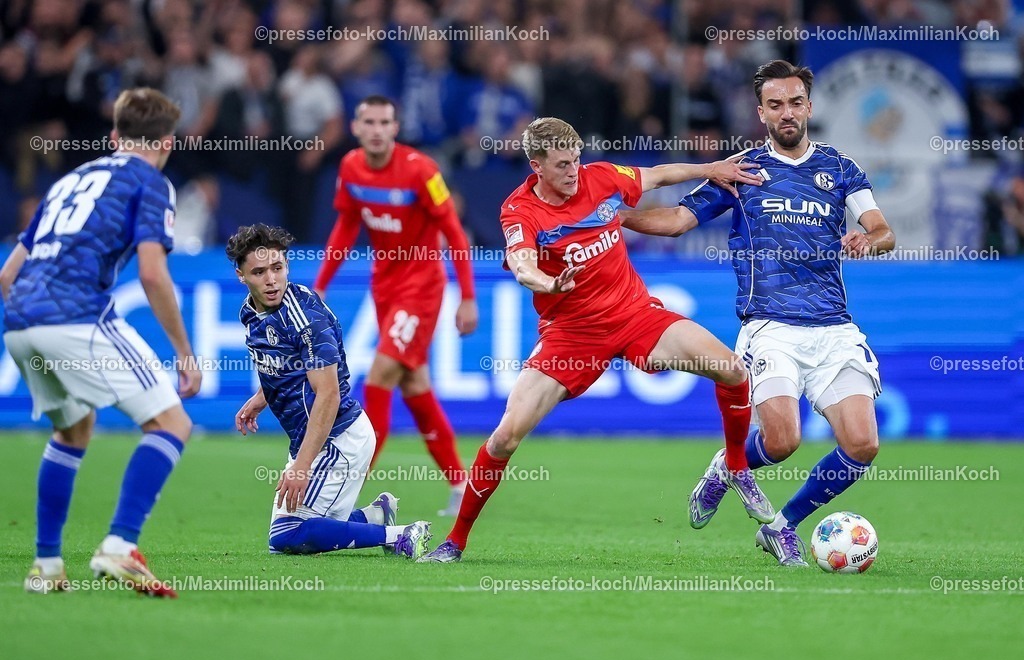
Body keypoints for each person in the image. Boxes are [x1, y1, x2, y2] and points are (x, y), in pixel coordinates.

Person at [419, 116, 768, 563]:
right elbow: (523, 264)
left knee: (732, 369)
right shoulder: (520, 209)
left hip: (634, 314)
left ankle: (735, 467)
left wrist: (711, 168)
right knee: (505, 437)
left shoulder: (599, 178)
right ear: (536, 166)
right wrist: (548, 285)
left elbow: (657, 175)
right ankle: (455, 541)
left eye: (577, 159)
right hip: (572, 334)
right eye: (563, 164)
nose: (573, 171)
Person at [621, 60, 896, 566]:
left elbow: (884, 231)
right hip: (769, 324)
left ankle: (782, 525)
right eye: (775, 105)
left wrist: (868, 240)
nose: (786, 113)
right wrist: (617, 218)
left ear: (809, 107)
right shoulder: (741, 171)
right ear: (761, 112)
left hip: (833, 325)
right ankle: (727, 466)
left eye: (795, 103)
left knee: (862, 445)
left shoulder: (839, 168)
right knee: (783, 440)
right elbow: (679, 220)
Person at [0, 88, 201, 597]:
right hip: (76, 315)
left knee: (73, 431)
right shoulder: (151, 182)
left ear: (114, 137)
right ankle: (119, 545)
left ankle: (46, 567)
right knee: (171, 422)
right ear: (168, 143)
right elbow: (153, 275)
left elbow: (8, 274)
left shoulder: (71, 178)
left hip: (20, 320)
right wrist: (184, 351)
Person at [313, 95, 477, 517]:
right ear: (356, 126)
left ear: (395, 126)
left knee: (380, 375)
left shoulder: (421, 169)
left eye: (385, 121)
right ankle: (462, 486)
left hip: (421, 286)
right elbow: (347, 226)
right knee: (415, 386)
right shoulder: (350, 167)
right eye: (368, 121)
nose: (376, 129)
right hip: (384, 286)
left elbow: (454, 233)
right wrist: (321, 286)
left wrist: (468, 297)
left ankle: (347, 486)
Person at [229, 223, 432, 559]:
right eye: (259, 272)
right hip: (312, 438)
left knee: (288, 535)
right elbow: (285, 364)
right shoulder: (251, 312)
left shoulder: (304, 318)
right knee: (302, 533)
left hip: (339, 439)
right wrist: (261, 398)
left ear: (287, 267)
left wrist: (302, 466)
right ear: (241, 276)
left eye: (278, 269)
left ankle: (403, 536)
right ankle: (374, 516)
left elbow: (329, 393)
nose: (271, 280)